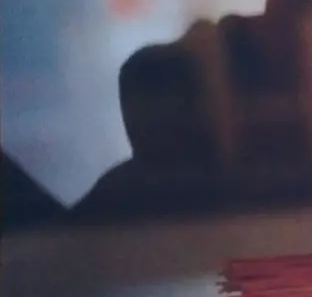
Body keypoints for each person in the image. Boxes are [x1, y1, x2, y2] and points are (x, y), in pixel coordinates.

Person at [72, 41, 220, 223]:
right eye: (129, 103)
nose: (134, 117)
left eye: (154, 102)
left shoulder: (226, 188)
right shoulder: (113, 192)